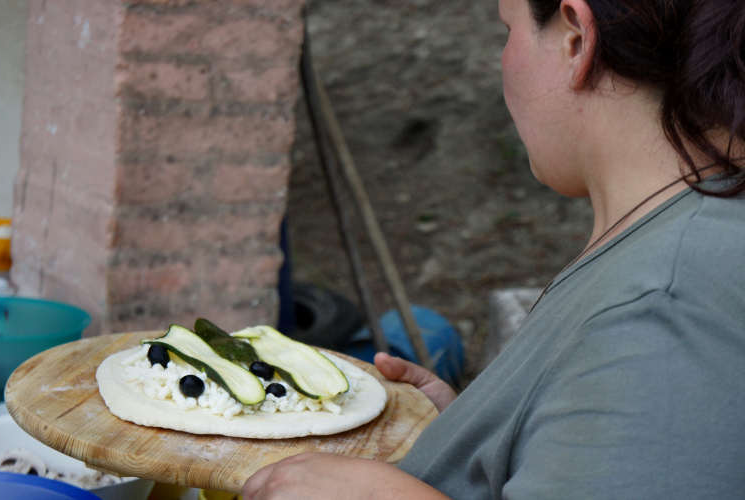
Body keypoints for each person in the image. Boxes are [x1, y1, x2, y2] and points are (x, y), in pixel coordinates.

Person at [242, 0, 745, 497]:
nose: (503, 58)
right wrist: (471, 440)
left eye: (508, 30)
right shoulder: (679, 239)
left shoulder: (664, 305)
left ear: (576, 38)